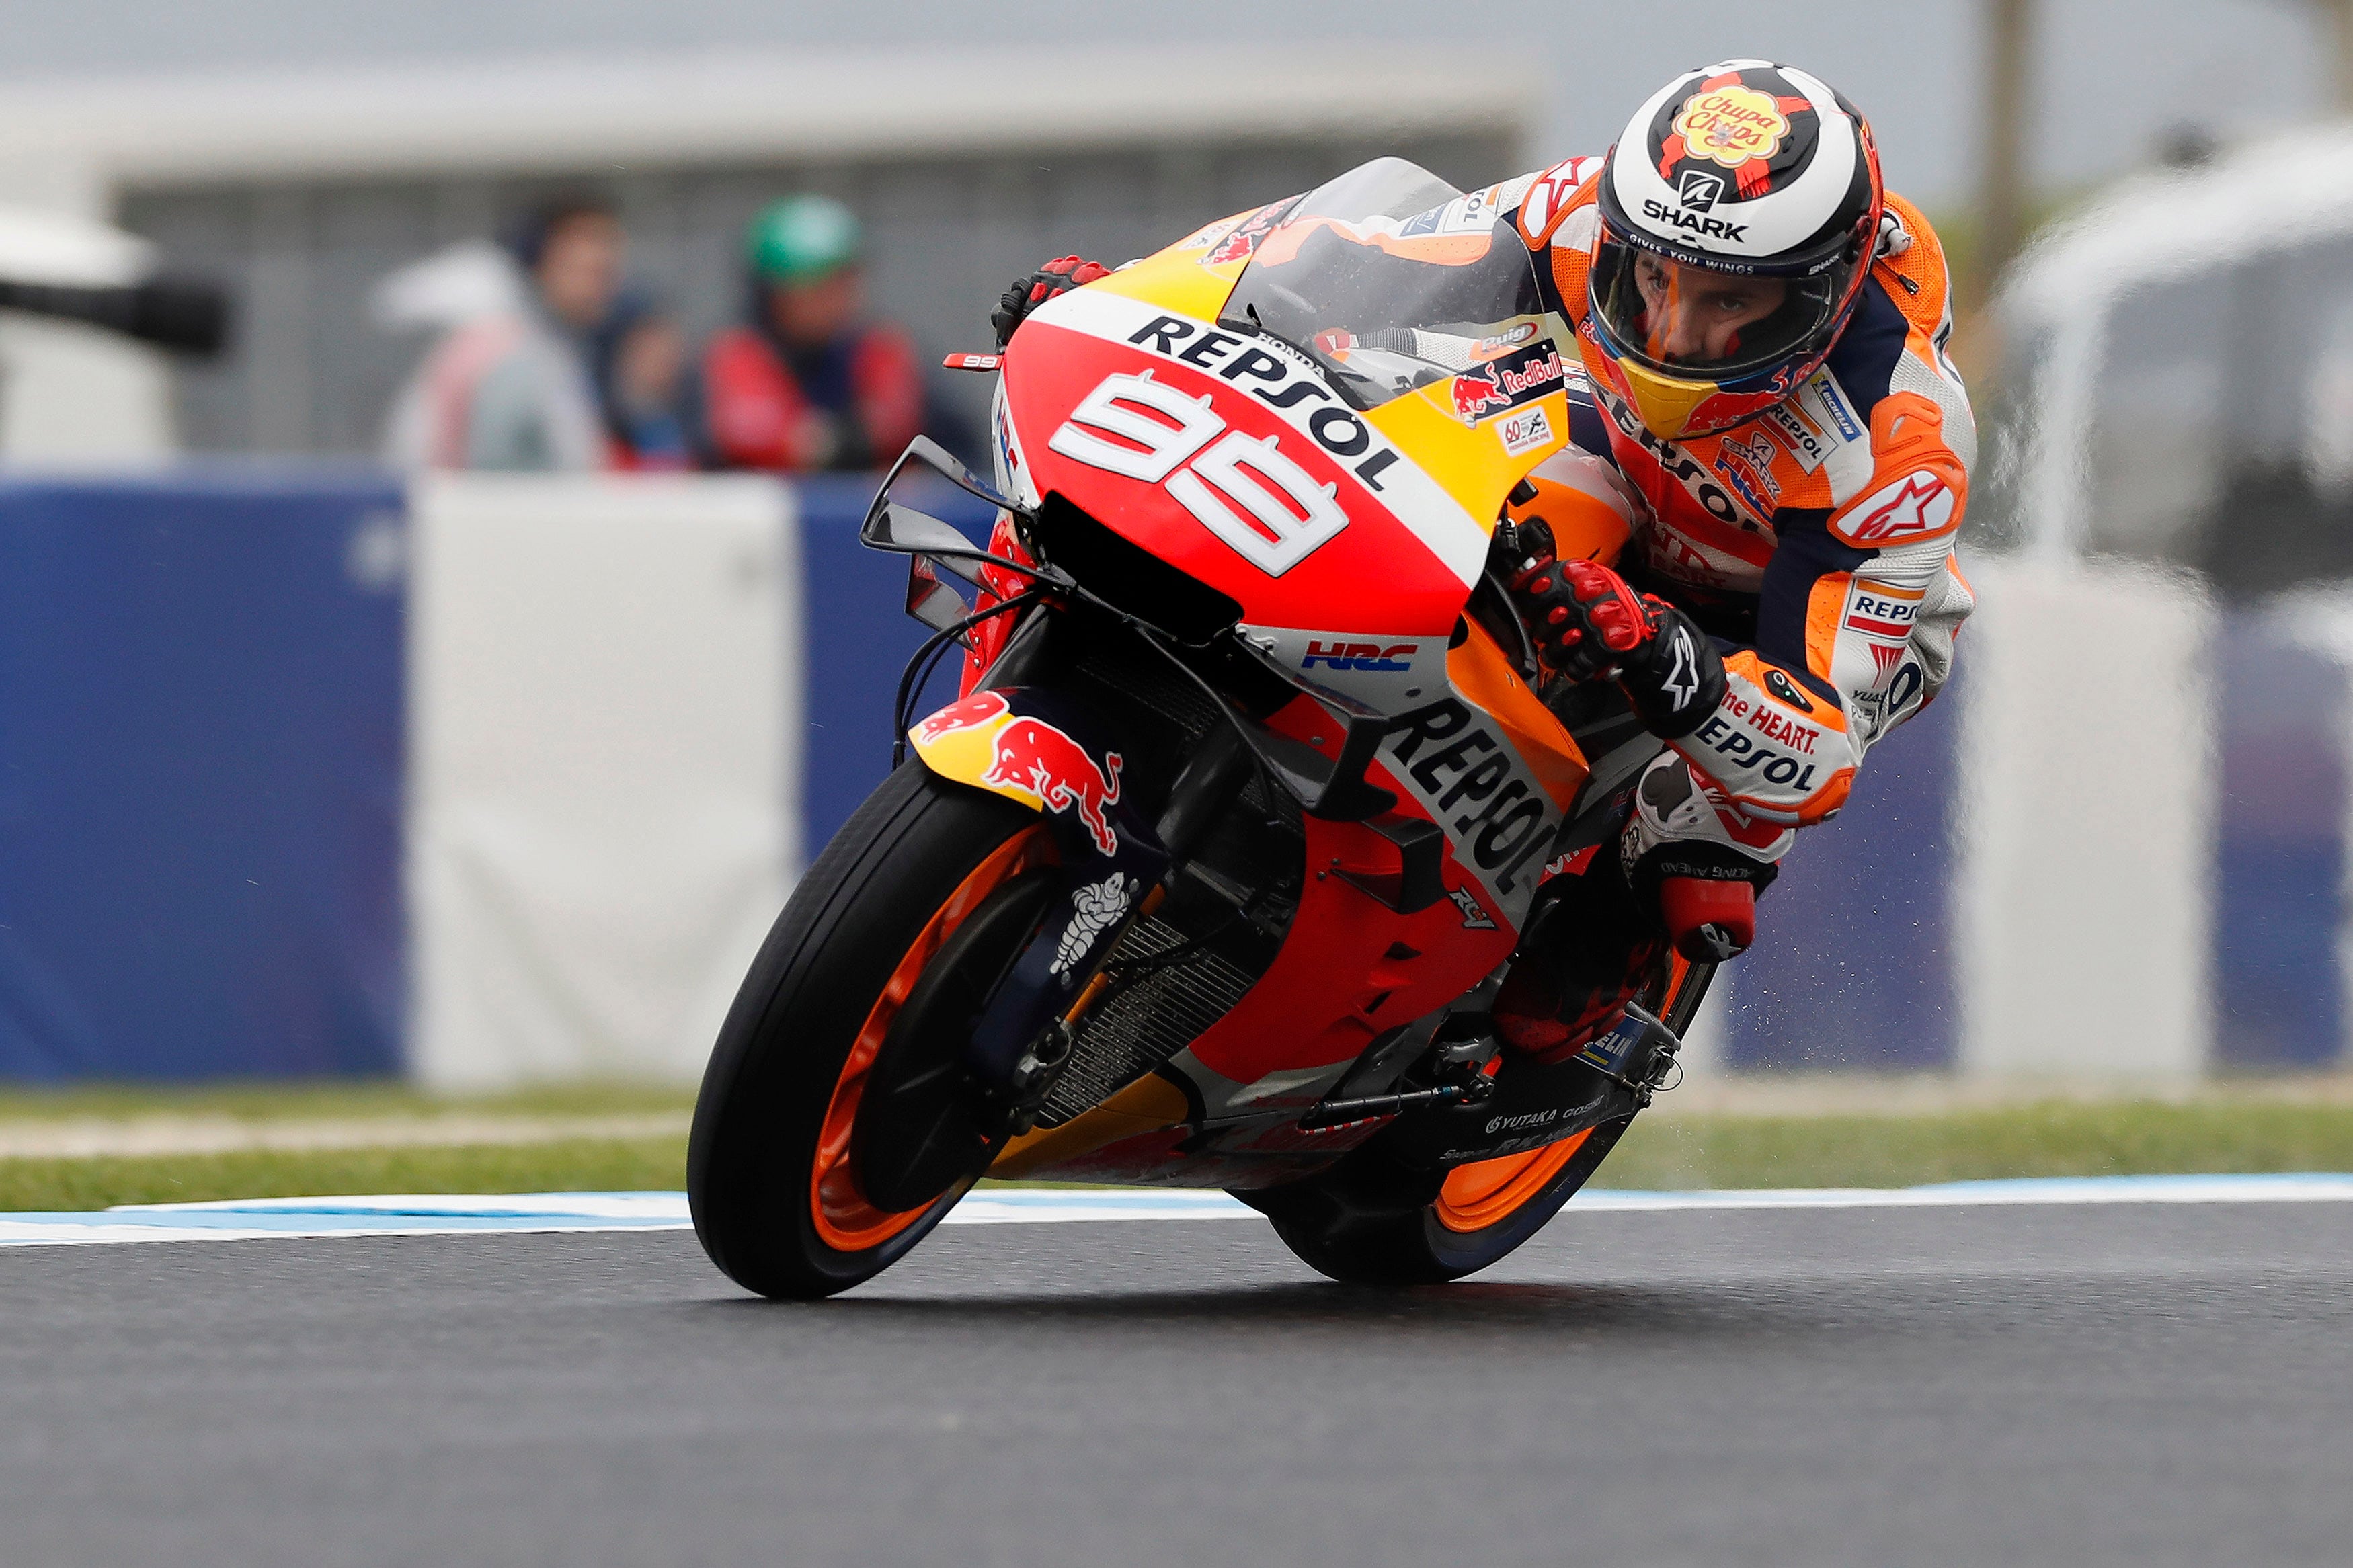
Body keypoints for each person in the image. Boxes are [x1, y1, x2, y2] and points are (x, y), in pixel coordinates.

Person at [988, 60, 1975, 1061]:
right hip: (1619, 481)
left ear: (1822, 291)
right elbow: (1343, 253)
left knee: (1680, 857)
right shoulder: (1585, 213)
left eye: (1730, 302)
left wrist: (1665, 655)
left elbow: (1819, 754)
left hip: (1763, 623)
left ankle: (1600, 957)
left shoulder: (1900, 442)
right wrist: (1137, 299)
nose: (1676, 332)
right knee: (1421, 390)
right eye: (1655, 282)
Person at [383, 198, 624, 472]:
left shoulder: (540, 343)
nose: (607, 288)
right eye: (594, 272)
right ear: (542, 260)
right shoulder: (508, 355)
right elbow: (496, 485)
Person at [697, 195, 925, 472]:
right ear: (777, 294)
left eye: (846, 281)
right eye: (822, 285)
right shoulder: (737, 354)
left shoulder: (875, 348)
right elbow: (758, 440)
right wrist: (839, 440)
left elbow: (904, 428)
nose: (841, 298)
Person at [594, 290, 694, 471]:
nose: (664, 360)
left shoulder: (690, 420)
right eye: (649, 350)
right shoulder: (602, 423)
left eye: (668, 348)